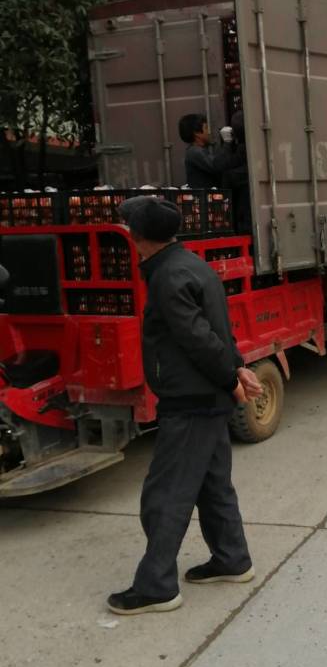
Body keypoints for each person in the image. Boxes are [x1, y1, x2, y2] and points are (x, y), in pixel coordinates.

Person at [107, 195, 263, 615]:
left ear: (136, 237)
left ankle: (156, 585)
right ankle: (232, 559)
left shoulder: (168, 277)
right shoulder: (192, 265)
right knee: (213, 487)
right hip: (206, 397)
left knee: (165, 494)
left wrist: (232, 376)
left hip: (191, 400)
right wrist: (238, 366)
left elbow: (198, 339)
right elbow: (218, 329)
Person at [178, 113, 236, 190]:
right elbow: (217, 165)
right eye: (206, 128)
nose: (209, 132)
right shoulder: (195, 152)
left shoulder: (198, 150)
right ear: (197, 133)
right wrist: (227, 142)